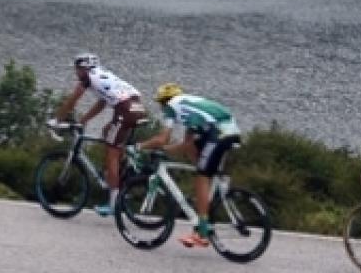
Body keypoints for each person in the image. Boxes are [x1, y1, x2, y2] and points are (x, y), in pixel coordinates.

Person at [142, 84, 242, 249]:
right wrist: (166, 150)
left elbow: (162, 139)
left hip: (218, 134)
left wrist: (141, 146)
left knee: (202, 177)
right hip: (231, 131)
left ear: (164, 101)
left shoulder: (171, 107)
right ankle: (206, 198)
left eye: (160, 104)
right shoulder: (189, 105)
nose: (161, 108)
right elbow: (187, 145)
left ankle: (201, 231)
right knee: (198, 156)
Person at [52, 53, 144, 217]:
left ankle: (113, 204)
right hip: (137, 106)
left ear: (84, 68)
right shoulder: (103, 75)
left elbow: (73, 99)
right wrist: (84, 120)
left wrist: (57, 120)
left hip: (125, 110)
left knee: (111, 153)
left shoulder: (88, 77)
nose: (76, 73)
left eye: (77, 69)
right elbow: (102, 103)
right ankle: (121, 175)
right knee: (107, 132)